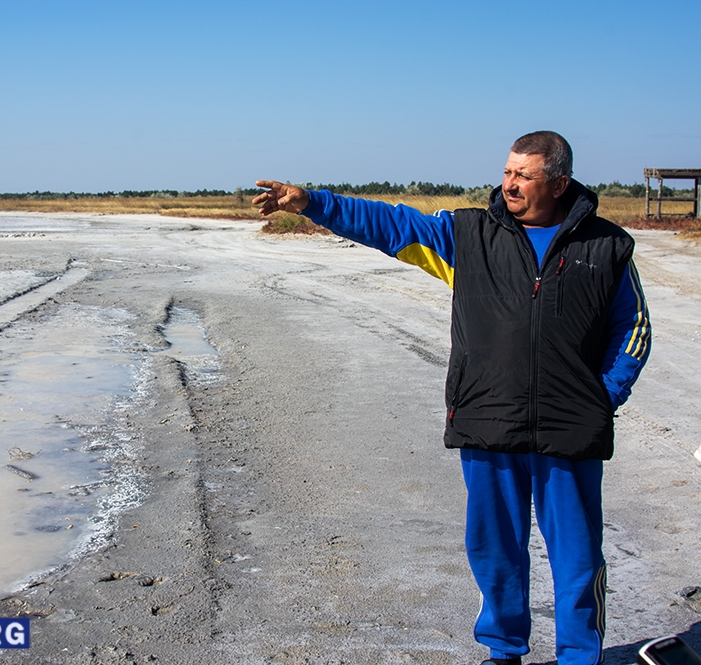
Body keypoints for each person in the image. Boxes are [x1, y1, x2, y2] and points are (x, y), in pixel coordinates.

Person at [253, 131, 651, 665]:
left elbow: (634, 330)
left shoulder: (607, 246)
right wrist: (312, 204)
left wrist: (601, 399)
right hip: (488, 417)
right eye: (507, 172)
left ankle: (580, 656)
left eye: (523, 176)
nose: (509, 184)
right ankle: (503, 651)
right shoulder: (470, 233)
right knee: (495, 551)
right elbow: (391, 224)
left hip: (572, 426)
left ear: (558, 183)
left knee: (578, 556)